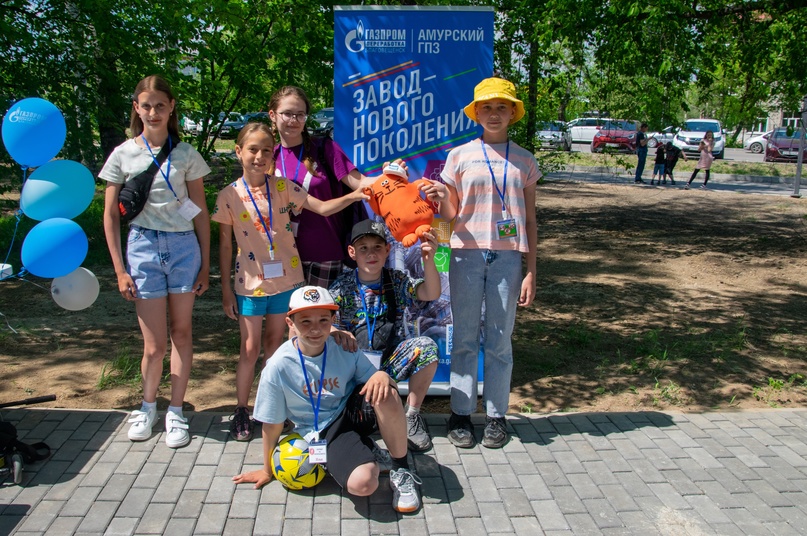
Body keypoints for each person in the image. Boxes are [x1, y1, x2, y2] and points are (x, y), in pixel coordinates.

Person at [212, 122, 369, 441]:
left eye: (267, 150)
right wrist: (226, 289)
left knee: (277, 346)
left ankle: (272, 409)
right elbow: (226, 245)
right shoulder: (228, 195)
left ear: (274, 155)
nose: (259, 156)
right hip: (249, 285)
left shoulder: (284, 186)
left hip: (288, 284)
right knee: (249, 348)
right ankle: (242, 408)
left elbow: (323, 208)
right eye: (252, 150)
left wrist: (356, 194)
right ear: (239, 152)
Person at [419, 77, 539, 449]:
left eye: (501, 107)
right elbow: (450, 215)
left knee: (501, 341)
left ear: (513, 113)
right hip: (465, 254)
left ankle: (496, 416)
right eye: (486, 107)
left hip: (507, 259)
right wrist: (442, 198)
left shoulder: (525, 160)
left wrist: (531, 270)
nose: (494, 113)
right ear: (476, 113)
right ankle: (460, 413)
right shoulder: (459, 156)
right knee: (465, 338)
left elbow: (530, 220)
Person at [232, 286, 422, 513]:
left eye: (323, 320)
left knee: (386, 392)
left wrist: (382, 375)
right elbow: (272, 425)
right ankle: (366, 449)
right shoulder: (277, 366)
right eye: (305, 322)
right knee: (363, 485)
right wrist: (267, 469)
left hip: (352, 412)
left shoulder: (344, 347)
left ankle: (401, 469)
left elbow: (373, 379)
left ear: (333, 320)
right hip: (322, 431)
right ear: (290, 323)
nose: (315, 329)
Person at [100, 75, 211, 448]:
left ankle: (176, 411)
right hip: (143, 247)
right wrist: (119, 269)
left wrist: (205, 263)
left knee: (182, 334)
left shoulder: (186, 154)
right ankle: (147, 407)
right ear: (136, 108)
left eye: (160, 105)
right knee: (154, 345)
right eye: (146, 105)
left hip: (183, 249)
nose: (153, 112)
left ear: (171, 107)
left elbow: (200, 214)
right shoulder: (123, 153)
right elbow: (111, 215)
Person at [328, 219, 440, 452]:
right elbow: (320, 322)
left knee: (427, 347)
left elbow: (430, 292)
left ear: (387, 250)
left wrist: (428, 261)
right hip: (353, 367)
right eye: (363, 248)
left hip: (387, 363)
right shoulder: (341, 286)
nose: (371, 254)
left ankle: (411, 416)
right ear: (352, 252)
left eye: (377, 247)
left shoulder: (397, 280)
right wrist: (334, 330)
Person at [268, 86, 373, 289]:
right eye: (287, 113)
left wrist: (391, 174)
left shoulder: (324, 148)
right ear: (272, 115)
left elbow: (360, 183)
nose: (294, 120)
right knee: (287, 319)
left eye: (300, 114)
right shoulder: (268, 157)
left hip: (325, 254)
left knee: (321, 318)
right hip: (282, 255)